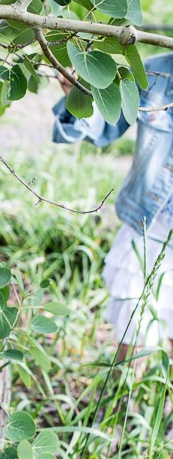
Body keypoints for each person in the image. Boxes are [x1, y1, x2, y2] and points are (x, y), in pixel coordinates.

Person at [52, 52, 173, 360]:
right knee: (134, 330)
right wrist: (78, 95)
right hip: (151, 225)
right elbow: (102, 124)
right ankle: (126, 391)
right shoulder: (155, 73)